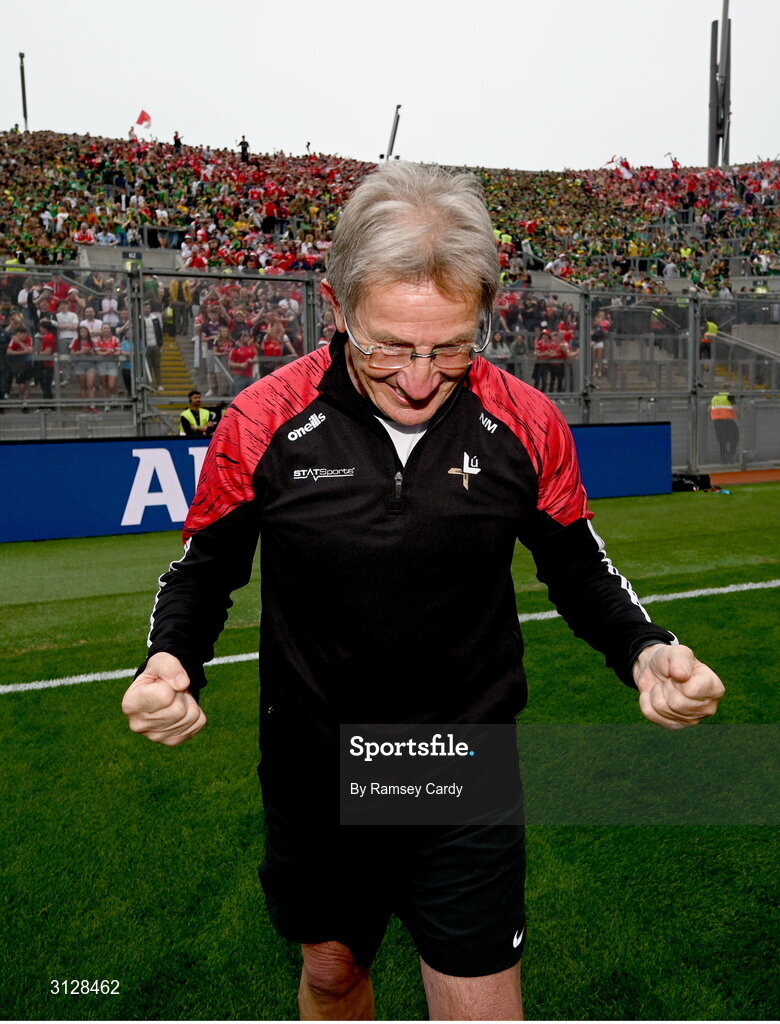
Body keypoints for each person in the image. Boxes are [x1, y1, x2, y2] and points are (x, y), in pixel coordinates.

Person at [122, 162, 725, 1022]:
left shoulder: (526, 422)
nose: (416, 378)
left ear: (483, 314)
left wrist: (645, 650)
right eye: (388, 347)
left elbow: (578, 565)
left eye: (449, 348)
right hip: (315, 769)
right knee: (333, 975)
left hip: (460, 765)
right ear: (336, 307)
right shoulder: (262, 421)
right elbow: (204, 568)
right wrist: (169, 659)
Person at [709, 390, 739, 464]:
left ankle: (724, 460)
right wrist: (739, 416)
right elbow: (735, 408)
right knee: (735, 437)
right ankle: (730, 456)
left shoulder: (715, 397)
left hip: (717, 421)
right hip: (728, 420)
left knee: (722, 441)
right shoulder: (729, 395)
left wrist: (713, 416)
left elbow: (709, 409)